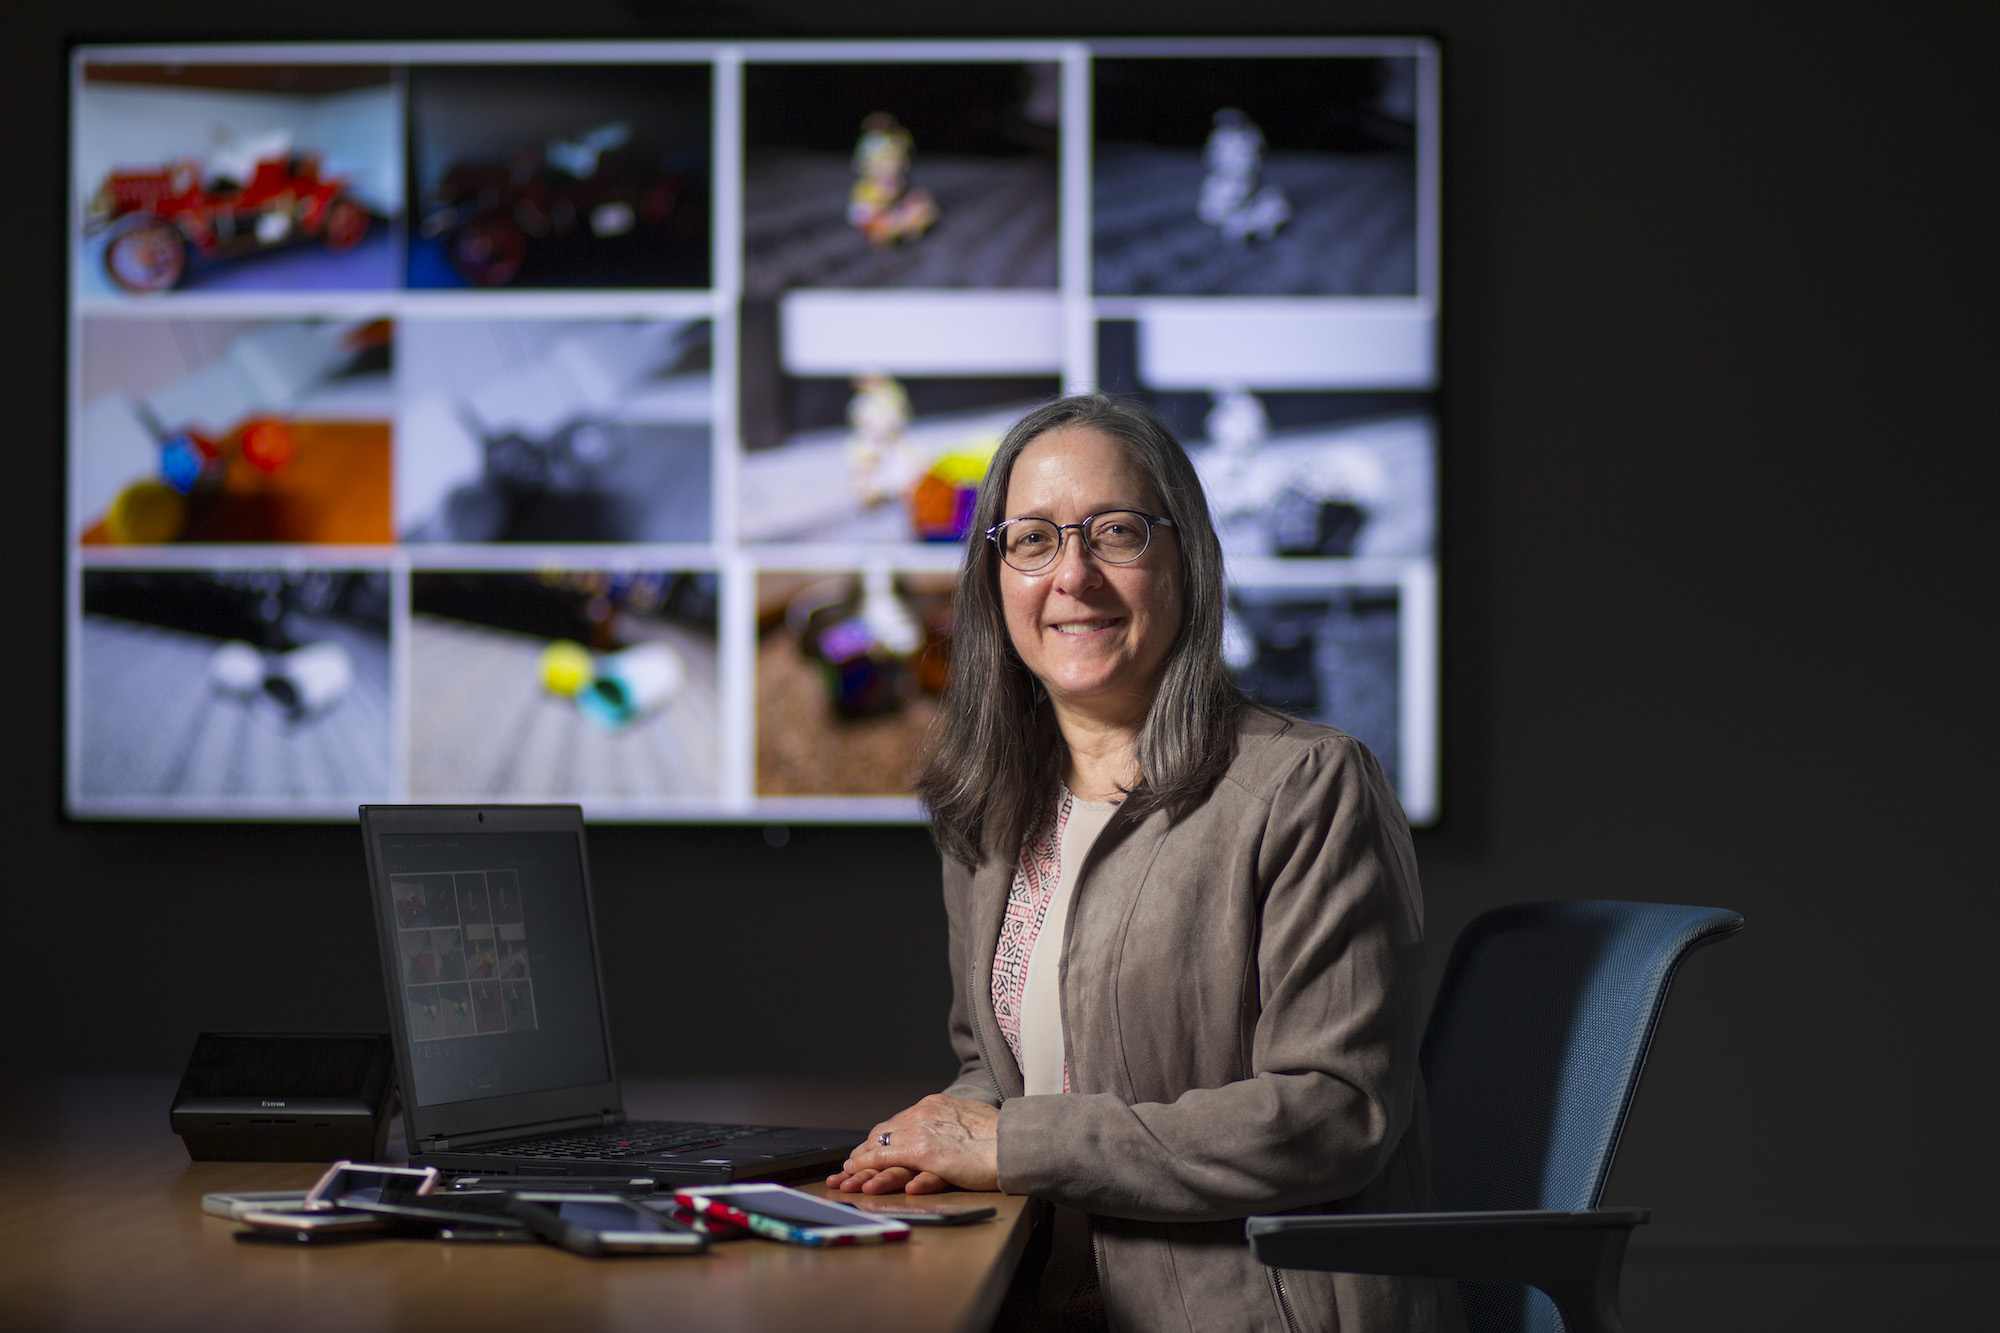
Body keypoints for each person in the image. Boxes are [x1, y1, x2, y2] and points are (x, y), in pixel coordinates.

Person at [828, 394, 1460, 1331]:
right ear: (995, 575)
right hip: (1043, 1296)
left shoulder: (1310, 785)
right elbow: (999, 1073)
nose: (1072, 575)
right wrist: (921, 1140)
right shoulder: (994, 807)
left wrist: (1010, 1144)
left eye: (1114, 532)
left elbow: (1335, 1112)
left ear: (1187, 559)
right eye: (1034, 539)